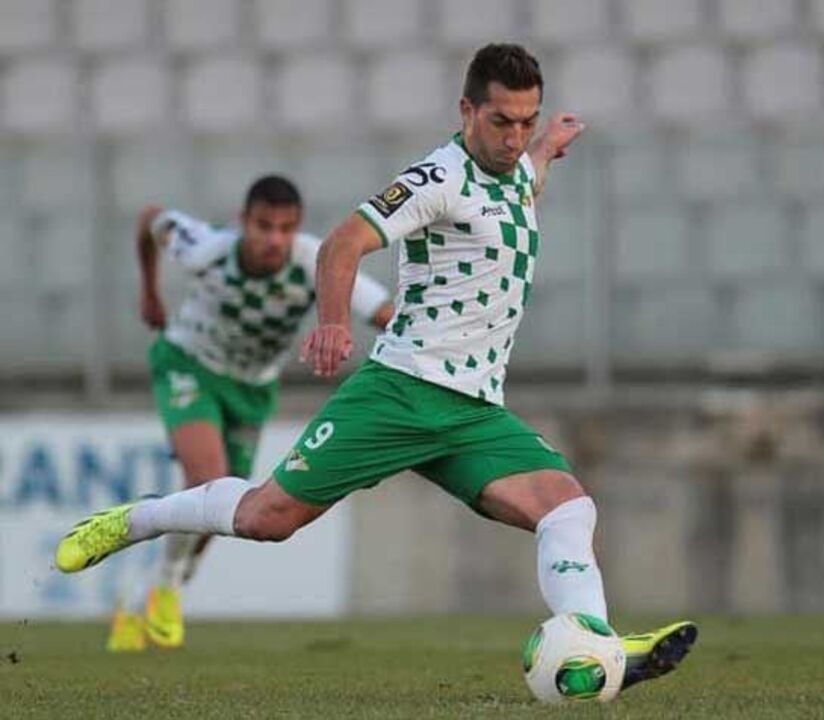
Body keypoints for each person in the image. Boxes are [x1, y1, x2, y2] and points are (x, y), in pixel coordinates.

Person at [57, 44, 696, 688]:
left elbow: (524, 177)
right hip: (402, 391)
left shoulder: (517, 168)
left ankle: (595, 643)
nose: (514, 136)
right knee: (265, 518)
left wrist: (546, 147)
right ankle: (135, 519)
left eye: (527, 120)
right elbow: (342, 243)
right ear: (467, 111)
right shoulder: (436, 178)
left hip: (473, 407)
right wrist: (333, 322)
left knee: (566, 507)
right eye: (501, 121)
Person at [107, 175, 393, 652]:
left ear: (298, 227)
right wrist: (150, 292)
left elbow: (383, 309)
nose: (274, 239)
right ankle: (166, 589)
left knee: (227, 509)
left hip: (252, 388)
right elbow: (148, 218)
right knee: (207, 479)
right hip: (189, 365)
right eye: (264, 226)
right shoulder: (206, 248)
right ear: (243, 222)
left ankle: (146, 596)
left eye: (286, 228)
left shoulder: (315, 260)